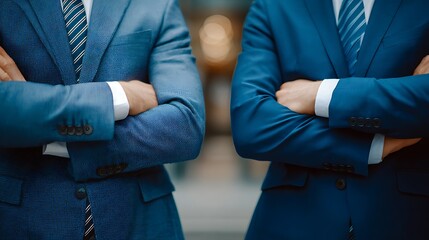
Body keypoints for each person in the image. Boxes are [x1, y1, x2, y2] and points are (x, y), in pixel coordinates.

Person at [0, 0, 205, 239]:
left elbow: (185, 126)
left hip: (138, 223)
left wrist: (33, 115)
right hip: (21, 222)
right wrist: (118, 95)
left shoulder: (158, 5)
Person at [231, 0, 429, 239]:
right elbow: (251, 125)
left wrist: (321, 95)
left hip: (406, 218)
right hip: (291, 222)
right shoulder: (273, 6)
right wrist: (372, 146)